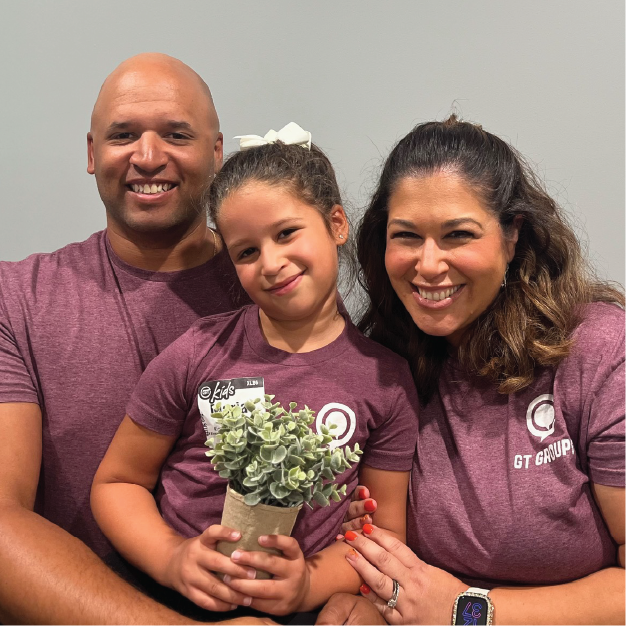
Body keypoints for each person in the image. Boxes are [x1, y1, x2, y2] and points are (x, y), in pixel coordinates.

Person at [90, 124, 418, 619]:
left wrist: (307, 586)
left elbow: (384, 532)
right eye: (246, 251)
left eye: (286, 234)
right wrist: (173, 559)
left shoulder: (386, 381)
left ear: (336, 224)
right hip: (170, 602)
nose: (271, 263)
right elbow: (117, 483)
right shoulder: (199, 351)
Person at [0, 52, 280, 626]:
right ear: (91, 153)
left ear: (218, 152)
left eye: (176, 135)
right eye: (123, 135)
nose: (148, 157)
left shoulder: (280, 290)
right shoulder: (17, 299)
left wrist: (352, 591)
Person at [318, 116, 626, 625]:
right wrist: (368, 601)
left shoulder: (599, 350)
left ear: (512, 235)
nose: (428, 265)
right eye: (406, 236)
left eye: (458, 235)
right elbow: (381, 552)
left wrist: (469, 612)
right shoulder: (377, 364)